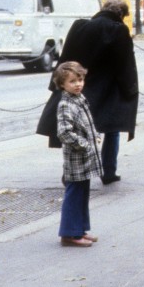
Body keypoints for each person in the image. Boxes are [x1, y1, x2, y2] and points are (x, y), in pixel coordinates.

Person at [57, 0, 139, 186]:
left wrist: (60, 84)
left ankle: (69, 173)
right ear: (120, 14)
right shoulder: (118, 30)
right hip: (108, 89)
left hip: (80, 85)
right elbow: (124, 64)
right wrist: (129, 89)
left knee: (78, 130)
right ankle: (108, 171)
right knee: (112, 129)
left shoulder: (80, 26)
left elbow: (66, 57)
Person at [54, 61, 101, 247]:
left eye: (80, 80)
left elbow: (88, 123)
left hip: (85, 157)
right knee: (74, 195)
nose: (78, 84)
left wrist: (95, 135)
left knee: (82, 194)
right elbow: (64, 132)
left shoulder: (79, 98)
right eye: (72, 81)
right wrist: (85, 145)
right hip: (76, 158)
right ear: (62, 84)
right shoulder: (66, 104)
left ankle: (79, 229)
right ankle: (69, 234)